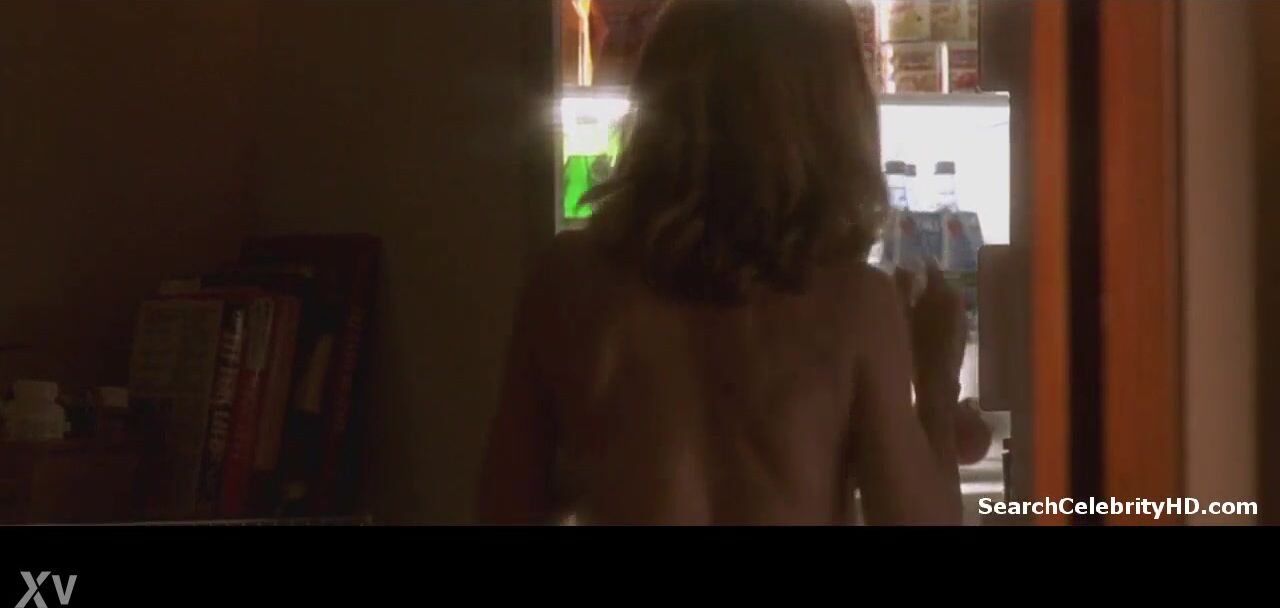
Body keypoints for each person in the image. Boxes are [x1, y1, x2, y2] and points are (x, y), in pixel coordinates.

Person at [476, 0, 966, 525]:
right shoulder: (855, 304)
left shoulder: (568, 280)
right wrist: (936, 388)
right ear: (837, 115)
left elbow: (505, 509)